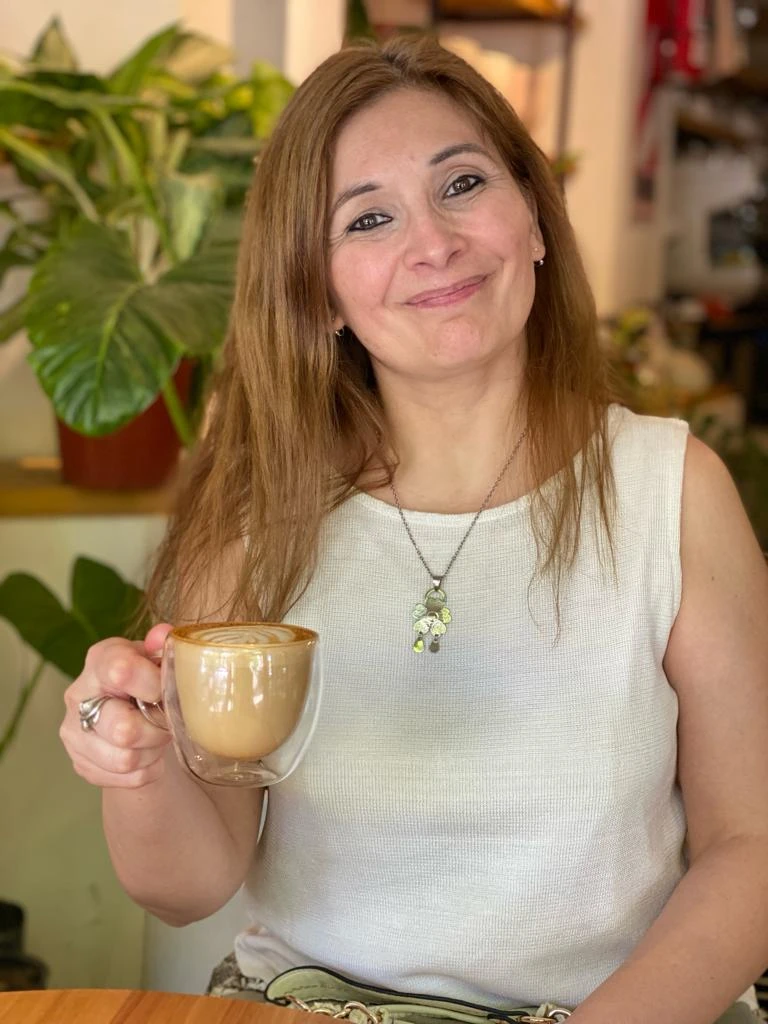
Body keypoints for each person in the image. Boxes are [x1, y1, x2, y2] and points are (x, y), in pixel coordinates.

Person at [59, 35, 768, 1024]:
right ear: (319, 291)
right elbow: (187, 882)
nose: (432, 243)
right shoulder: (263, 516)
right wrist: (136, 764)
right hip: (307, 1006)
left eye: (463, 184)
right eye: (369, 218)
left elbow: (750, 845)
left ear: (535, 221)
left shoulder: (671, 489)